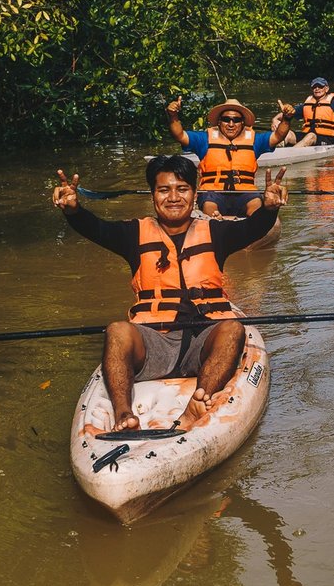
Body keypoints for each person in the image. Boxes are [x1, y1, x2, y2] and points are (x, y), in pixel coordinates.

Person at [52, 154, 288, 431]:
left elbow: (253, 227)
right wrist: (73, 211)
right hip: (154, 342)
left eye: (182, 189)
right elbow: (97, 228)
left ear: (195, 194)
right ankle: (124, 415)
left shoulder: (216, 232)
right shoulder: (133, 234)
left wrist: (269, 209)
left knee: (233, 329)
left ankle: (196, 404)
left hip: (204, 341)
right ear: (153, 195)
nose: (174, 197)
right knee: (117, 330)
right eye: (164, 190)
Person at [167, 96, 288, 217]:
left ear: (242, 123)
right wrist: (173, 116)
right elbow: (179, 135)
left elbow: (278, 136)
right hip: (212, 192)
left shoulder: (256, 140)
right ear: (219, 121)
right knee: (210, 206)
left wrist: (286, 119)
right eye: (226, 119)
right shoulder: (203, 139)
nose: (231, 124)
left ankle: (255, 223)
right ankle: (215, 221)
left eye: (236, 120)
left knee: (256, 206)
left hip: (246, 193)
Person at [271, 76, 334, 147]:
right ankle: (275, 151)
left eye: (320, 86)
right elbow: (284, 115)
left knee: (311, 136)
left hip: (327, 138)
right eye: (314, 86)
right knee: (287, 134)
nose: (317, 89)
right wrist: (275, 120)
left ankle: (290, 155)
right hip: (307, 136)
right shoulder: (306, 104)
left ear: (326, 89)